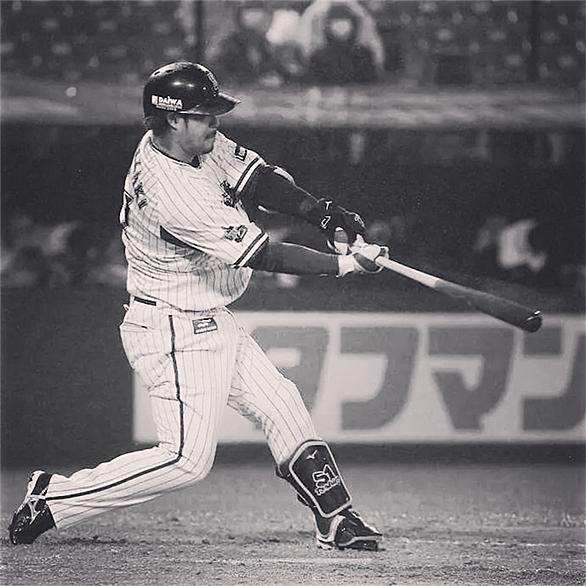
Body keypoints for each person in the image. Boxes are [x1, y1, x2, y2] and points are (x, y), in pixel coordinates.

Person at [8, 62, 387, 551]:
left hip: (208, 314)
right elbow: (265, 255)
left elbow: (257, 180)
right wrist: (347, 265)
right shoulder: (171, 190)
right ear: (173, 118)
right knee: (186, 460)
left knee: (282, 403)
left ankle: (335, 519)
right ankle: (54, 498)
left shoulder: (190, 145)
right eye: (204, 114)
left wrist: (322, 213)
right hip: (172, 326)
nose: (215, 122)